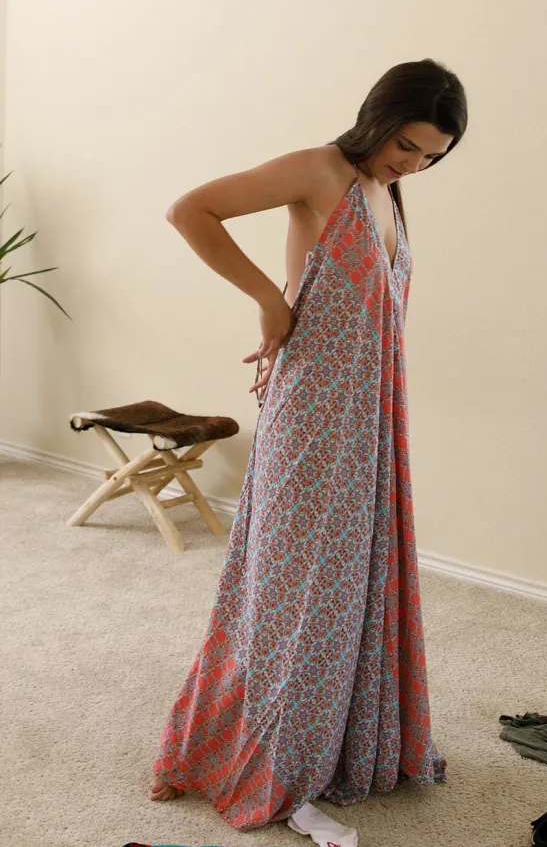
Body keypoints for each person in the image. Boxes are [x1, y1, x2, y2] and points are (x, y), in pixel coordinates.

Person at [150, 58, 468, 832]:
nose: (413, 164)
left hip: (370, 416)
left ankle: (336, 745)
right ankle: (261, 749)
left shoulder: (388, 193)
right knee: (293, 589)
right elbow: (191, 210)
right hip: (314, 416)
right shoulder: (320, 170)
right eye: (406, 145)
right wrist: (269, 299)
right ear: (377, 118)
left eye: (431, 156)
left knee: (350, 584)